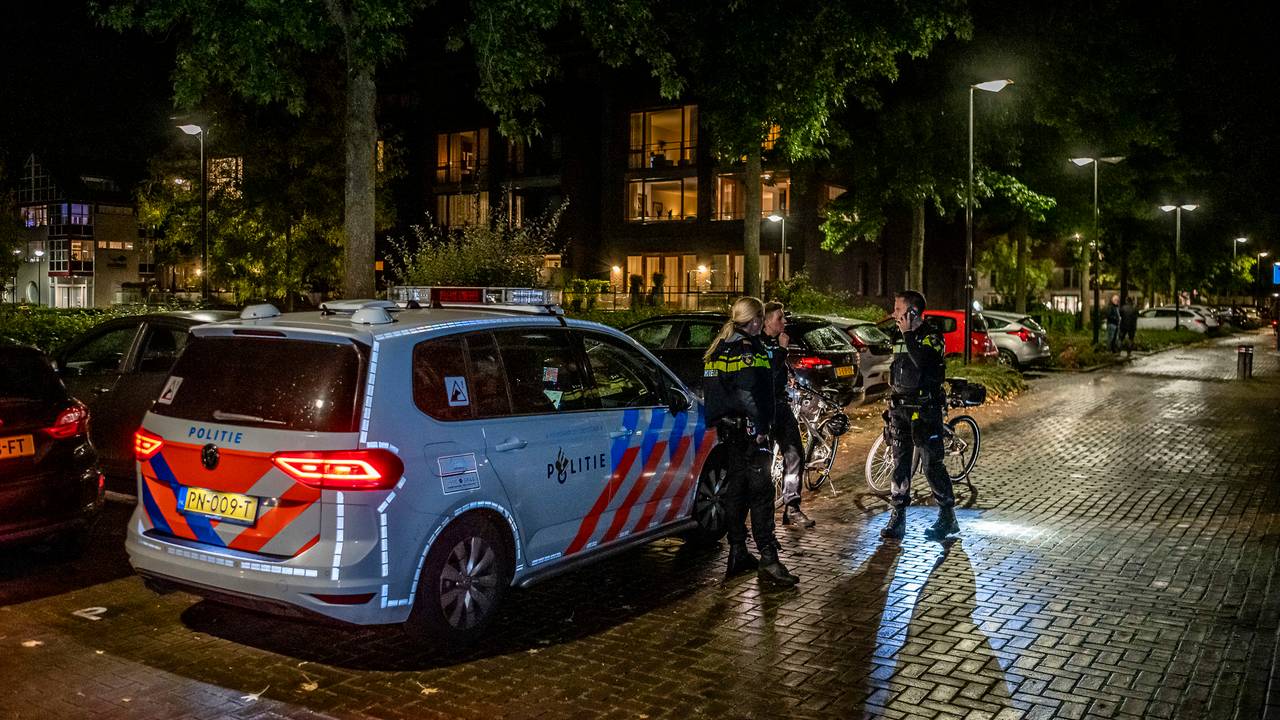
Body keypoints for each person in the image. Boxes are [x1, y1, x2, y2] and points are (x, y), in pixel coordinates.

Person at [703, 296, 799, 587]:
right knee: (761, 494)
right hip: (750, 434)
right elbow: (751, 391)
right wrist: (760, 426)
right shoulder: (749, 348)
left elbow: (715, 395)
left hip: (729, 435)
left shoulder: (718, 348)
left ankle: (738, 551)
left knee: (736, 492)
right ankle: (769, 560)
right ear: (755, 320)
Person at [880, 290, 957, 543]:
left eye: (898, 309)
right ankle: (898, 516)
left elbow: (923, 362)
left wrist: (908, 334)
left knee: (931, 464)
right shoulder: (898, 334)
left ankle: (947, 516)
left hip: (925, 410)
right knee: (900, 464)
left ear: (913, 313)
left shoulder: (932, 336)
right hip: (900, 409)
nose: (895, 313)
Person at [761, 301, 814, 529]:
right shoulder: (757, 344)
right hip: (764, 409)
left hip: (781, 406)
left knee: (795, 454)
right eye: (779, 318)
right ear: (765, 322)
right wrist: (782, 351)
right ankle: (762, 515)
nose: (784, 322)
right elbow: (768, 374)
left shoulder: (777, 341)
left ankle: (792, 507)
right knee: (762, 462)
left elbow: (780, 371)